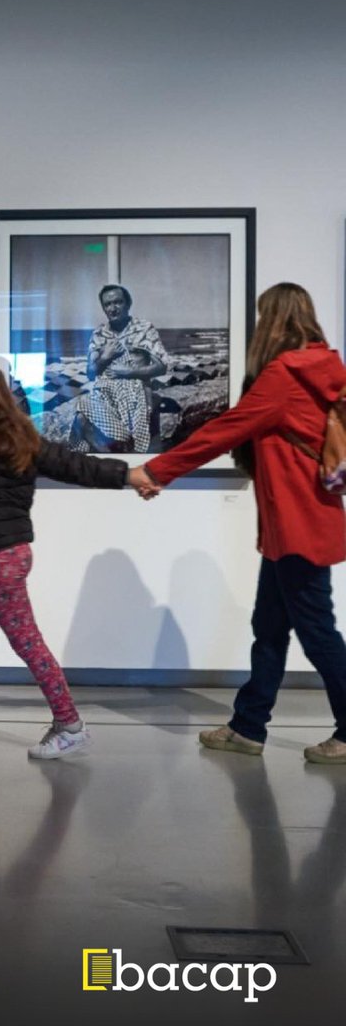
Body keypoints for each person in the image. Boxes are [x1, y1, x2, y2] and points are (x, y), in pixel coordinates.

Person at [134, 283, 346, 765]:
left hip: (297, 528)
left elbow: (224, 430)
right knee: (269, 628)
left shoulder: (285, 375)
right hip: (298, 525)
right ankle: (248, 727)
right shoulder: (320, 368)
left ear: (270, 321)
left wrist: (157, 470)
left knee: (318, 634)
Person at [0, 363, 148, 760]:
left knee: (29, 646)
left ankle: (71, 726)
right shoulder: (22, 439)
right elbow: (79, 467)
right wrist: (128, 476)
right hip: (9, 556)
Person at [71, 284, 169, 453]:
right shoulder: (99, 334)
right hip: (105, 394)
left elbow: (162, 366)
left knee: (138, 437)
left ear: (128, 304)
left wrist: (129, 372)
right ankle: (114, 451)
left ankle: (123, 450)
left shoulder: (143, 328)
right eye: (107, 305)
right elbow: (90, 373)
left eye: (118, 302)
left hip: (135, 393)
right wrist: (105, 357)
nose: (113, 308)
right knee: (81, 414)